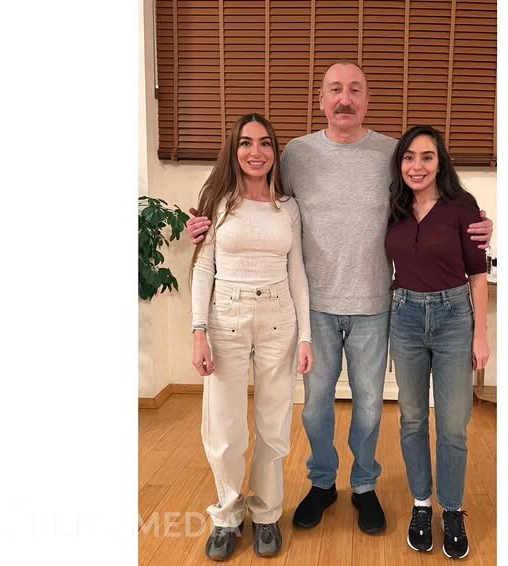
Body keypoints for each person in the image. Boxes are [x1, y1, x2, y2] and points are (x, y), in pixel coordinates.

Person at [187, 62, 493, 537]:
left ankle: (365, 485)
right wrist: (207, 226)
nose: (344, 99)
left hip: (375, 304)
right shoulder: (296, 154)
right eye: (335, 90)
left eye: (354, 90)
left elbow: (429, 200)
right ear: (321, 99)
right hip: (313, 305)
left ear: (367, 99)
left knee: (369, 406)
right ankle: (323, 481)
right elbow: (261, 206)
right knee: (315, 407)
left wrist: (477, 223)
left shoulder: (392, 154)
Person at [190, 113, 315, 561]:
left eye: (264, 143)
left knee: (273, 424)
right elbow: (203, 268)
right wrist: (199, 331)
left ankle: (266, 513)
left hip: (279, 320)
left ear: (275, 152)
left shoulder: (288, 208)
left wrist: (306, 337)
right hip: (225, 319)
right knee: (223, 427)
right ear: (234, 149)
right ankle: (226, 516)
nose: (255, 152)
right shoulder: (217, 202)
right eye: (246, 143)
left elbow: (297, 272)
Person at [386, 125, 488, 558]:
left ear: (440, 161)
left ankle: (452, 508)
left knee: (452, 424)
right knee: (411, 419)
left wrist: (480, 336)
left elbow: (477, 275)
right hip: (405, 316)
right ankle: (422, 504)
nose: (417, 166)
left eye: (427, 156)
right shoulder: (392, 207)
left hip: (453, 319)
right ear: (400, 164)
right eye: (409, 157)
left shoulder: (463, 207)